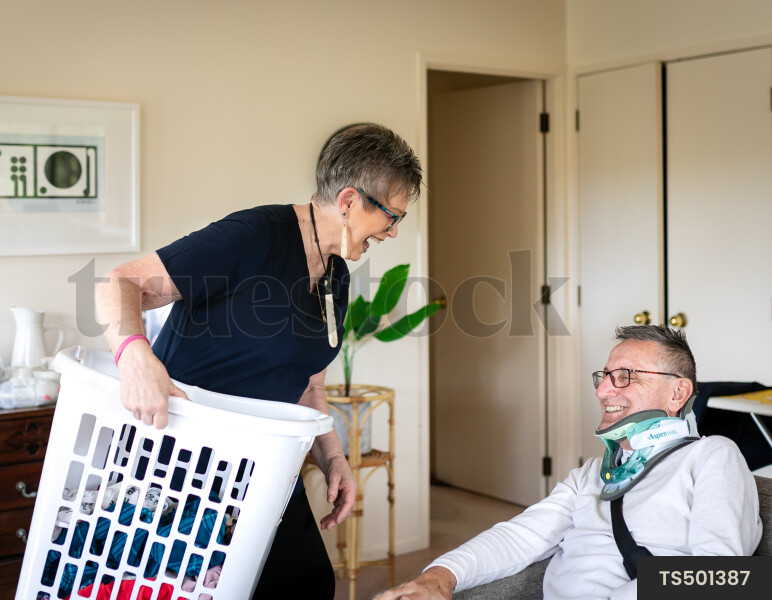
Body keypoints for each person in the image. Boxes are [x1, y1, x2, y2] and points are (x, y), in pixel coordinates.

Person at [95, 123, 423, 599]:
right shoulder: (255, 235)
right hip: (178, 466)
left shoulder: (337, 277)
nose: (393, 232)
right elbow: (120, 283)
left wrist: (334, 458)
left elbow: (309, 386)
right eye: (391, 216)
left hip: (263, 464)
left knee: (307, 581)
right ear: (350, 201)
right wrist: (135, 359)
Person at [376, 325, 762, 600]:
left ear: (678, 392)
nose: (601, 389)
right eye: (605, 376)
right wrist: (440, 576)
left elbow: (722, 576)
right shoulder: (592, 475)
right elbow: (520, 536)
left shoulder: (712, 456)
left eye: (625, 376)